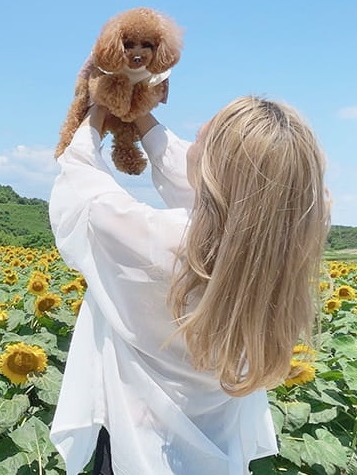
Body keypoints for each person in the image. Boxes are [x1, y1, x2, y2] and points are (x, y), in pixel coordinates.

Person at [48, 96, 330, 475]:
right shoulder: (283, 245)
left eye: (203, 136)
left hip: (138, 444)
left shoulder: (162, 242)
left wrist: (100, 107)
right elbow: (234, 193)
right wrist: (140, 114)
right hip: (219, 440)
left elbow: (83, 189)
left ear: (214, 168)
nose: (192, 137)